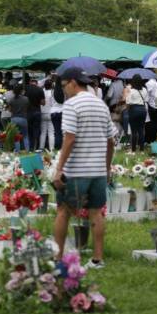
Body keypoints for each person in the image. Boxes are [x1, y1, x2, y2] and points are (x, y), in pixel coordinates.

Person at [53, 67, 116, 269]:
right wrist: (106, 169)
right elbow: (111, 141)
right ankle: (97, 259)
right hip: (97, 171)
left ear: (73, 82)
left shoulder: (71, 105)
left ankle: (57, 257)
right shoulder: (101, 105)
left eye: (64, 86)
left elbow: (69, 138)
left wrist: (59, 168)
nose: (64, 91)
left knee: (63, 211)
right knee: (96, 213)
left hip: (76, 171)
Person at [124, 74, 148, 153]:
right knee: (141, 130)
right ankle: (141, 150)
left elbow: (128, 102)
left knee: (134, 131)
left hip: (134, 110)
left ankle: (133, 150)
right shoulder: (144, 89)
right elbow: (146, 100)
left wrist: (127, 110)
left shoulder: (131, 90)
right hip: (143, 110)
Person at [25, 79, 45, 151]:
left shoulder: (26, 89)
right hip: (37, 111)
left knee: (29, 131)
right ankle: (36, 147)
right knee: (36, 130)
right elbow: (43, 103)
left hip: (28, 112)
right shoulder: (40, 89)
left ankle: (30, 147)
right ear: (36, 83)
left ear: (30, 82)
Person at [9, 84, 30, 152]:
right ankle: (27, 150)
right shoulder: (26, 99)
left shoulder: (11, 99)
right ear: (21, 91)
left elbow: (10, 110)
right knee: (25, 136)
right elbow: (27, 107)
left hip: (14, 118)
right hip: (23, 118)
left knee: (16, 136)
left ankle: (17, 151)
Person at [40, 79, 55, 150]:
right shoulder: (52, 92)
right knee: (51, 132)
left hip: (42, 112)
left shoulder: (42, 91)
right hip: (50, 113)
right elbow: (53, 104)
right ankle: (51, 149)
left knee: (43, 132)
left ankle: (41, 147)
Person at [51, 76, 65, 150]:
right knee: (64, 132)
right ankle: (63, 149)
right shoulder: (65, 90)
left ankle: (57, 148)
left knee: (56, 132)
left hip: (53, 112)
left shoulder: (53, 91)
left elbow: (51, 102)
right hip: (63, 112)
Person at [145, 77, 157, 143]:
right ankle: (155, 139)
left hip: (151, 105)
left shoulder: (149, 83)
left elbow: (146, 95)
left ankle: (150, 139)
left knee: (150, 123)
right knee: (155, 123)